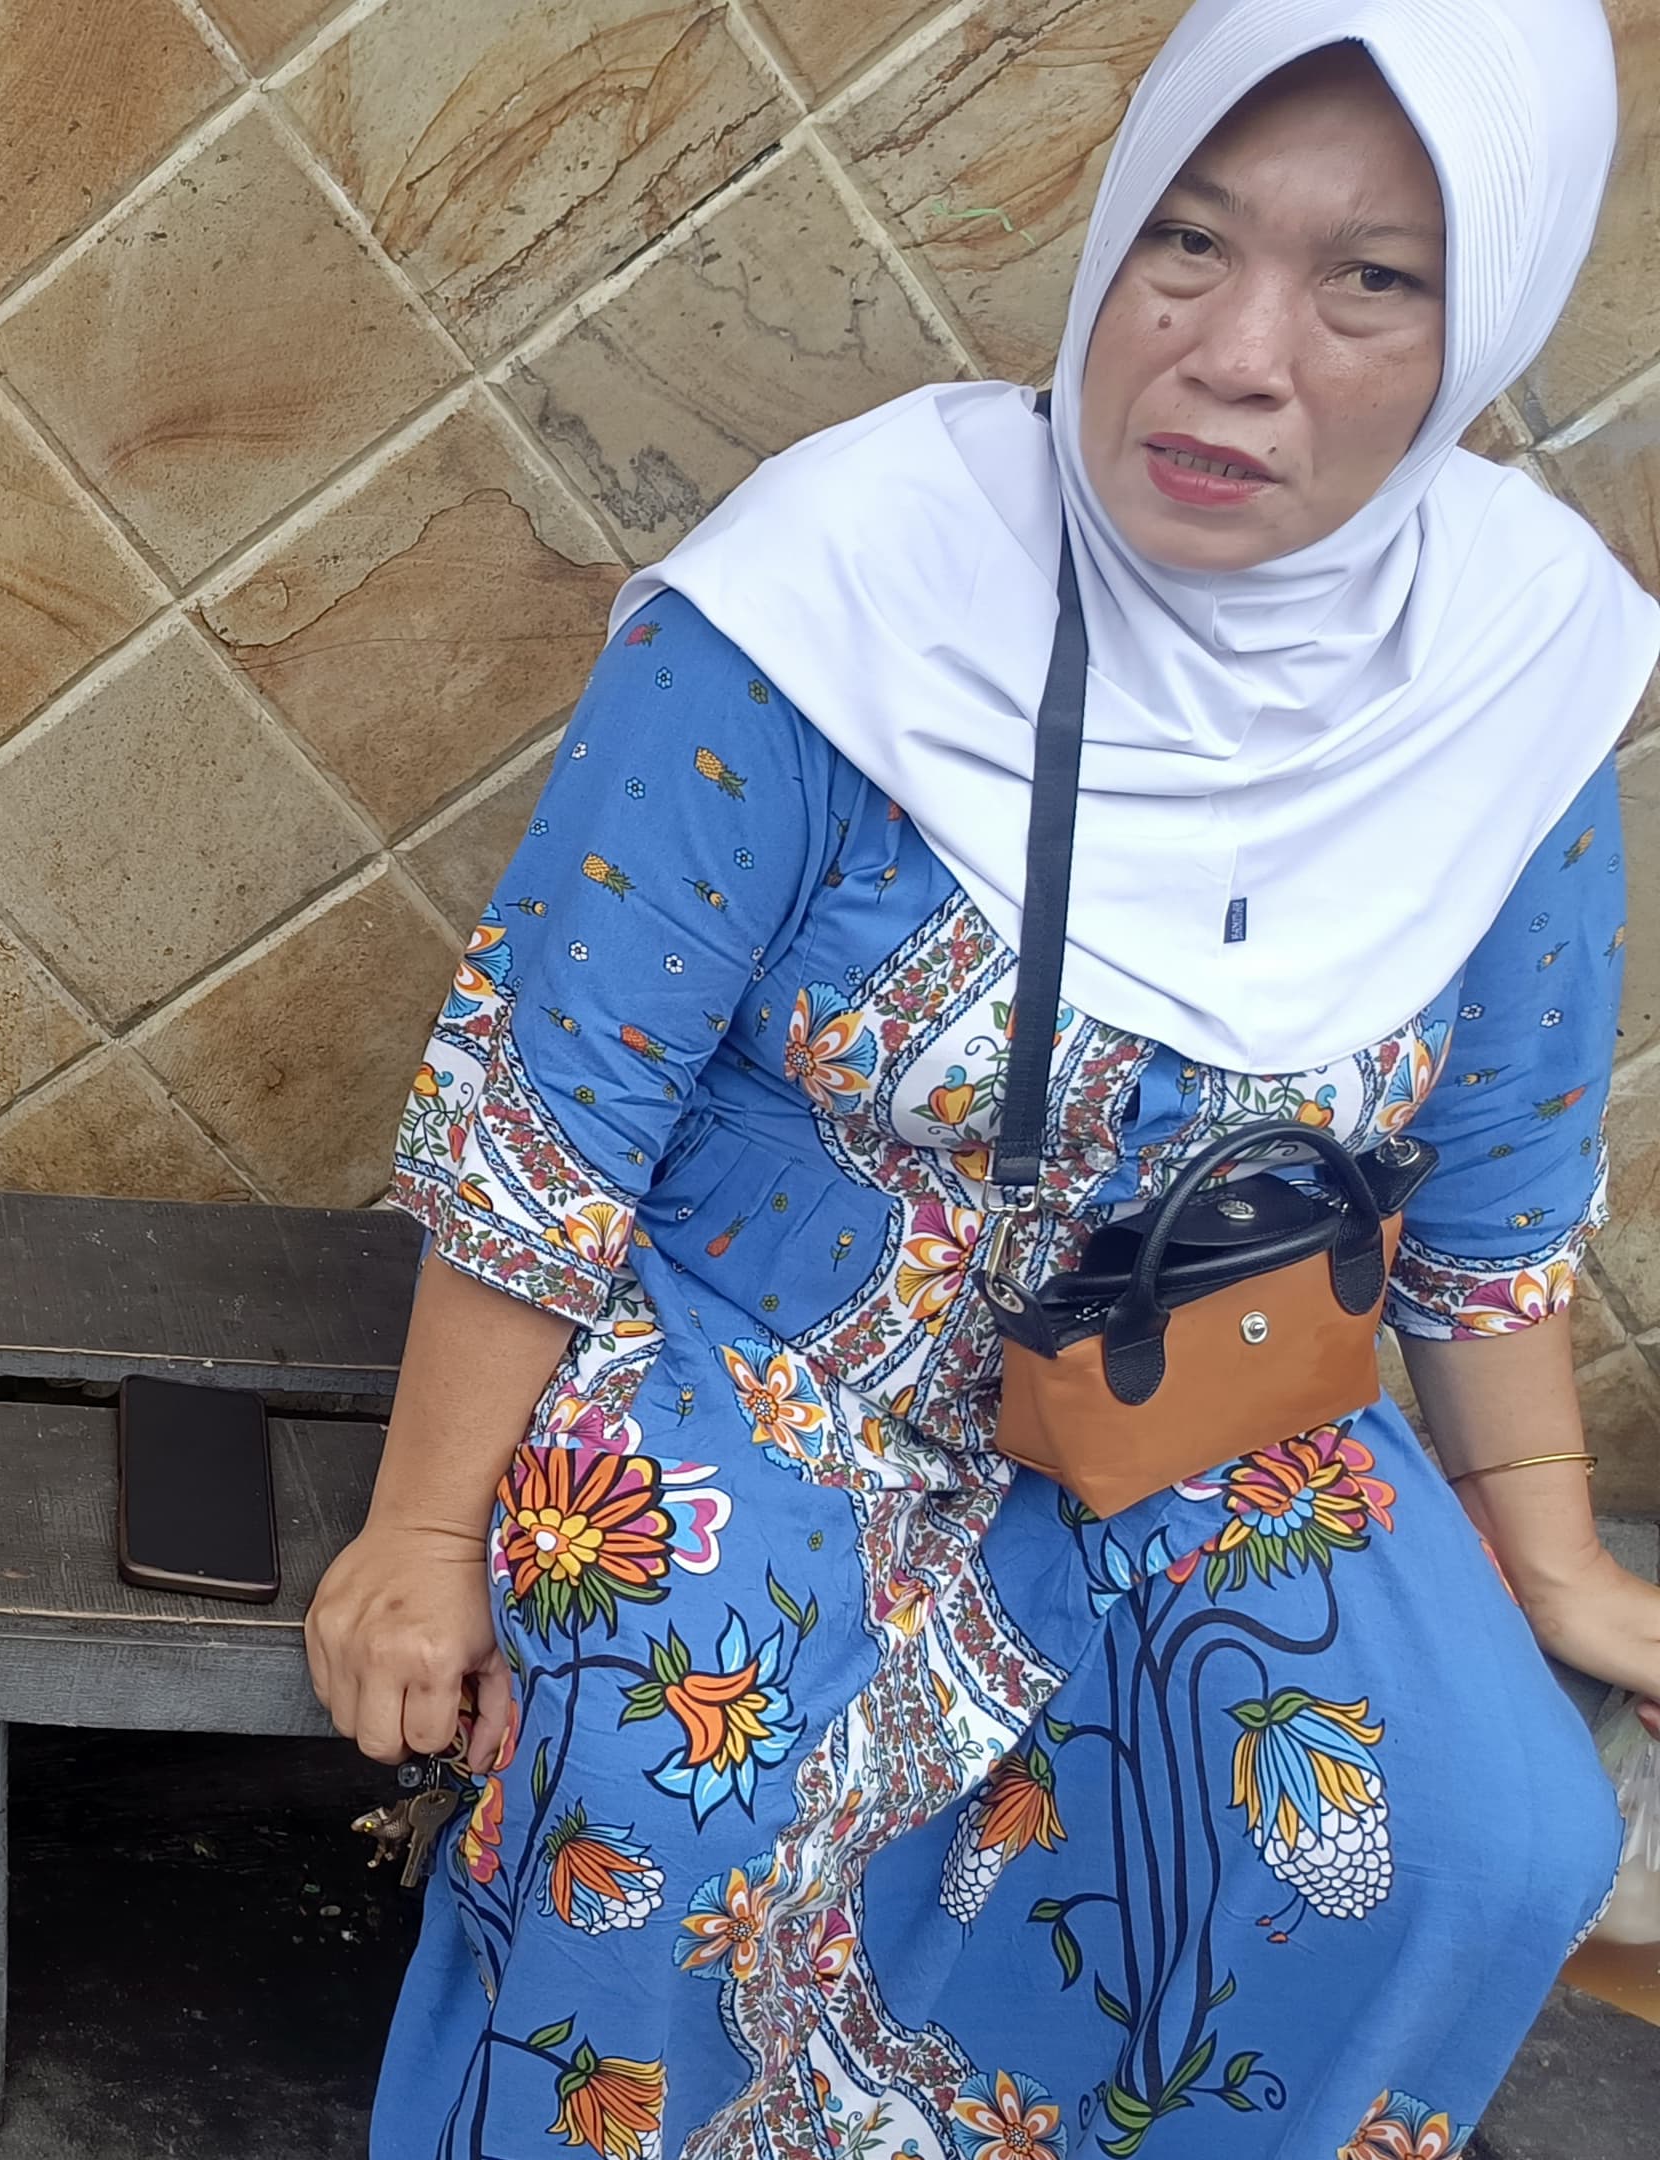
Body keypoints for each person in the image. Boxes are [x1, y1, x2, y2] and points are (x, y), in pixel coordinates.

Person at [304, 1, 1660, 2152]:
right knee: (677, 1773)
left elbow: (1495, 1192)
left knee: (1487, 1836)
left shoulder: (1513, 664)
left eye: (1371, 281)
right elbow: (551, 1101)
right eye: (1189, 241)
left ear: (1478, 330)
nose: (1237, 354)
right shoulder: (847, 576)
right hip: (772, 1363)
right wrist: (420, 1527)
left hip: (1206, 1399)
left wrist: (1552, 1555)